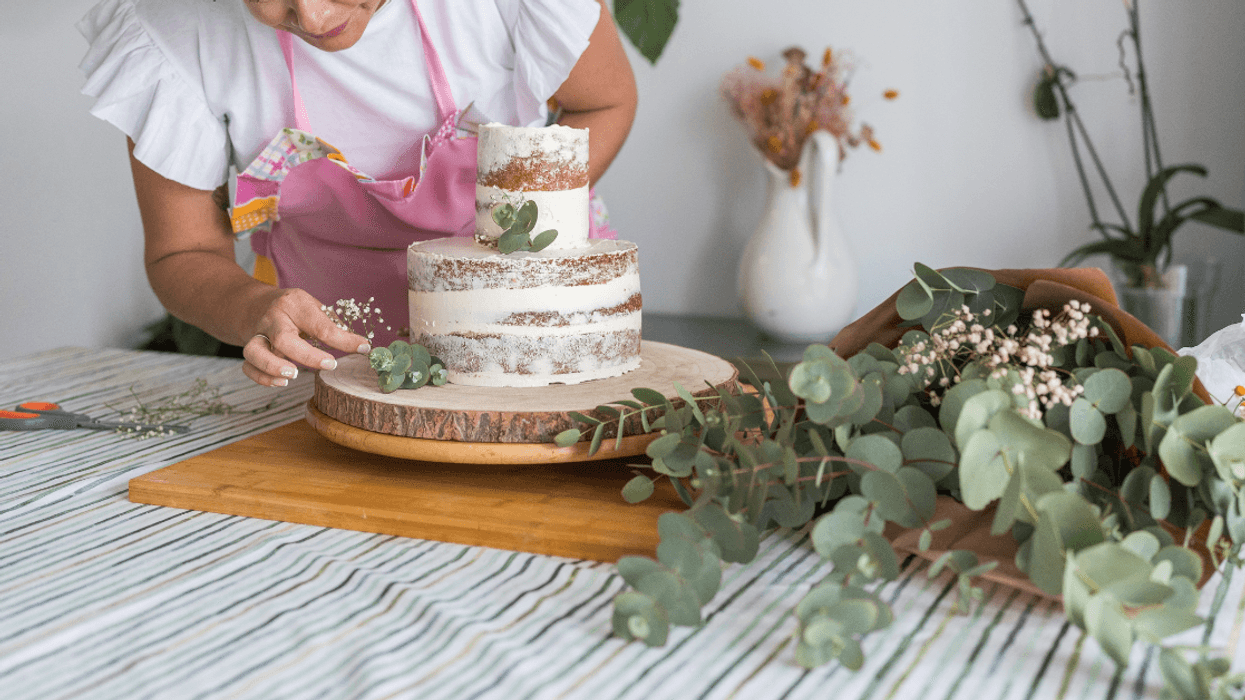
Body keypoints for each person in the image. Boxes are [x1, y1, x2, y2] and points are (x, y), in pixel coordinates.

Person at [78, 0, 637, 387]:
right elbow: (183, 252)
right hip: (338, 363)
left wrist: (496, 267)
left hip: (536, 325)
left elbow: (602, 102)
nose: (315, 16)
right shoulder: (175, 31)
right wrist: (252, 307)